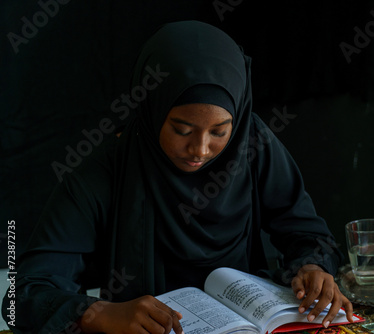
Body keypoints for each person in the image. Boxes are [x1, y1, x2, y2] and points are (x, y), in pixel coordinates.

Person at [3, 20, 353, 333]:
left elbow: (308, 233)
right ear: (153, 108)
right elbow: (23, 297)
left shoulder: (251, 144)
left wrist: (313, 267)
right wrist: (97, 313)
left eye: (219, 131)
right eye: (181, 129)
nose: (200, 149)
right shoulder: (104, 172)